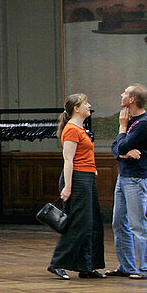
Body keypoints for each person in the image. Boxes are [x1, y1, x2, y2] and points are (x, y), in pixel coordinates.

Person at [48, 93, 105, 280]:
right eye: (85, 103)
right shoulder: (71, 129)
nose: (89, 105)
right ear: (76, 109)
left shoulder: (81, 129)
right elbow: (68, 160)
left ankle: (87, 266)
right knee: (79, 224)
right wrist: (68, 187)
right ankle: (58, 263)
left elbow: (84, 156)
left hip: (86, 178)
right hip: (77, 179)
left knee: (92, 223)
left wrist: (92, 170)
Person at [106, 83, 147, 279]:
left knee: (138, 224)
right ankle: (127, 266)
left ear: (131, 100)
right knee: (119, 222)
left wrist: (121, 129)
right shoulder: (132, 120)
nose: (121, 94)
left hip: (136, 179)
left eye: (125, 93)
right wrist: (122, 154)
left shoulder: (144, 123)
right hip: (124, 176)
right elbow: (115, 148)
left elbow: (122, 145)